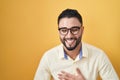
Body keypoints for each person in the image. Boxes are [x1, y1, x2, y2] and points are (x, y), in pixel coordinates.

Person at [34, 9, 119, 80]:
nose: (69, 36)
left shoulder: (99, 56)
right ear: (59, 32)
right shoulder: (48, 57)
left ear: (82, 30)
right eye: (64, 30)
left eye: (74, 29)